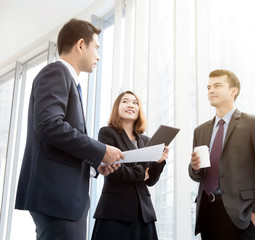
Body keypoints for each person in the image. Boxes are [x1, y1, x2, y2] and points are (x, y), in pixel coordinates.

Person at [15, 18, 124, 240]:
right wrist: (100, 150)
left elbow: (60, 138)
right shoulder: (57, 72)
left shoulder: (67, 80)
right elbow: (49, 125)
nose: (98, 56)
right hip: (57, 198)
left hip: (61, 199)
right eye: (96, 48)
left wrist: (96, 164)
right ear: (81, 45)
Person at [189, 69, 255, 240]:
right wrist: (194, 168)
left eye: (217, 86)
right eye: (208, 87)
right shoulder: (200, 131)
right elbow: (197, 175)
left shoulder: (254, 124)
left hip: (242, 217)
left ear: (234, 91)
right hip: (208, 215)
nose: (211, 90)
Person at [92, 91, 168, 240]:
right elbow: (113, 169)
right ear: (117, 107)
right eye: (125, 101)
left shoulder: (146, 140)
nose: (130, 105)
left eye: (135, 103)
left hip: (143, 213)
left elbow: (150, 180)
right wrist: (142, 173)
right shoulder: (107, 133)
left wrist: (159, 162)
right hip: (115, 211)